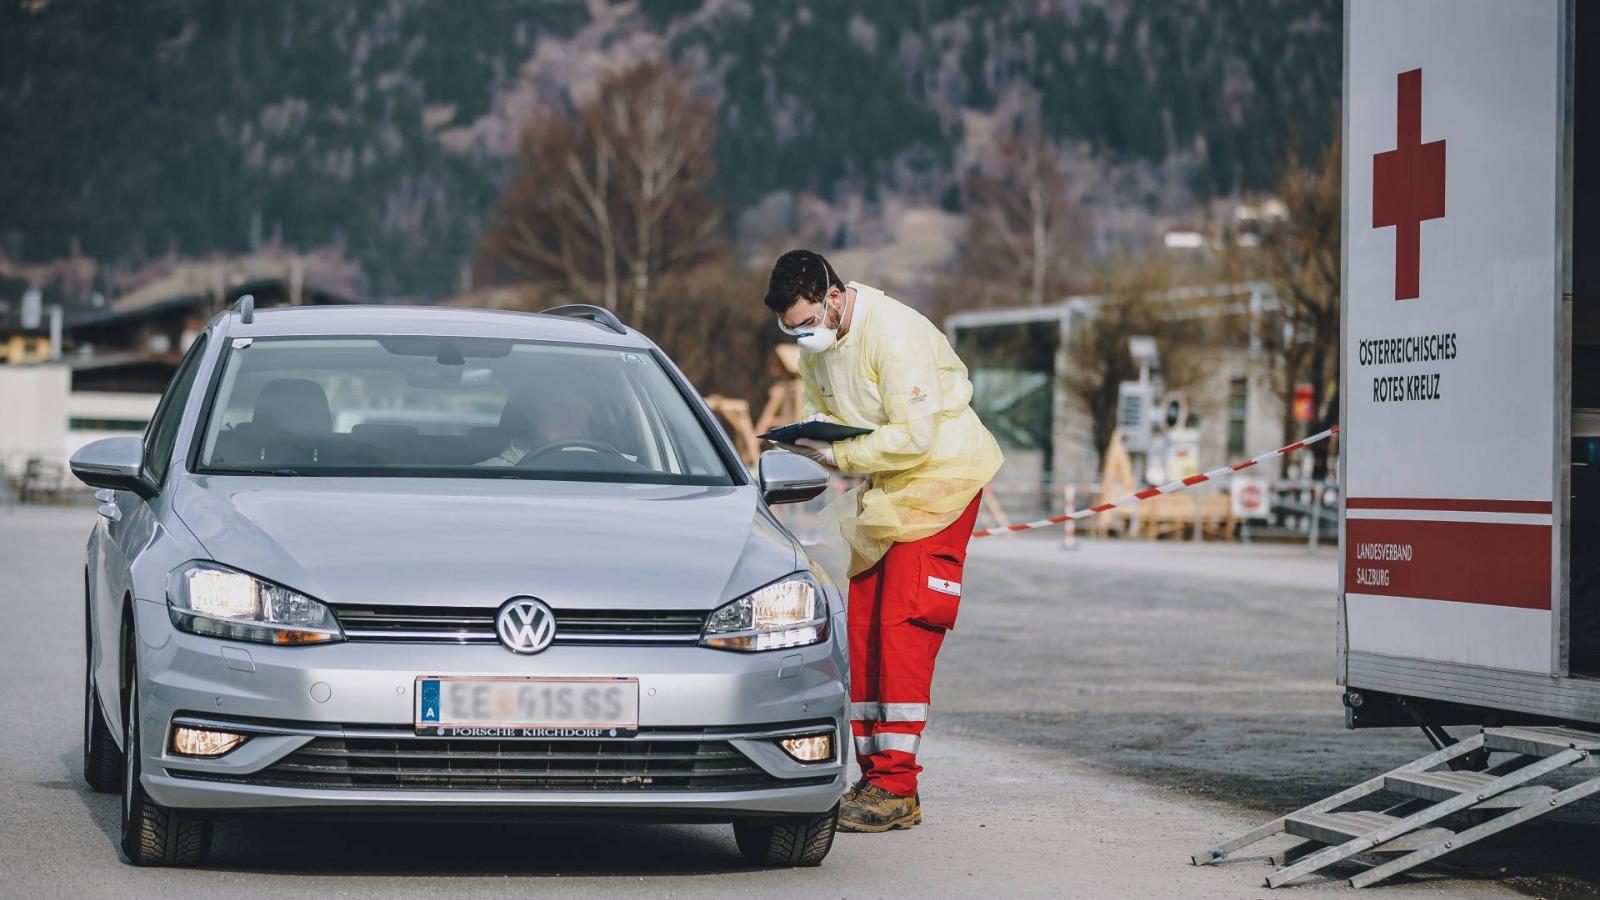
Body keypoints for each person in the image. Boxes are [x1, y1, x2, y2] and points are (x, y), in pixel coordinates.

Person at [763, 249, 1004, 832]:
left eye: (806, 322)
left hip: (941, 481)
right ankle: (876, 778)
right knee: (865, 623)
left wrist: (840, 454)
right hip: (888, 489)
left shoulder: (894, 334)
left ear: (834, 297)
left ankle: (897, 785)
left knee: (904, 624)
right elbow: (821, 410)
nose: (801, 335)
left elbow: (916, 438)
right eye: (790, 328)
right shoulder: (817, 351)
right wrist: (810, 443)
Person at [478, 389, 590, 466]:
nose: (570, 415)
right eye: (559, 406)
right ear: (531, 415)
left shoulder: (602, 467)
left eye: (578, 408)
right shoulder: (488, 475)